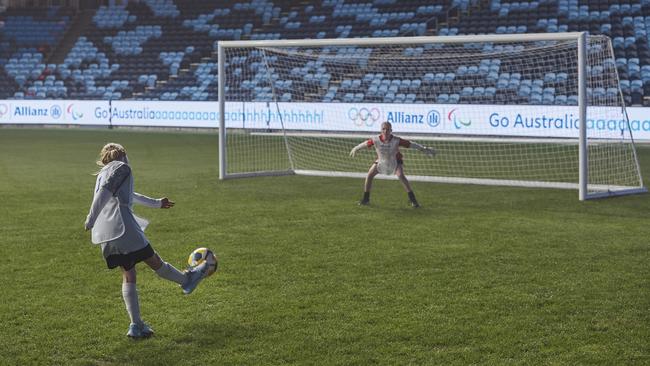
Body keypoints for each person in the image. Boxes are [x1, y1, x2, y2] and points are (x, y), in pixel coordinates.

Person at [84, 143, 208, 339]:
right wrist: (89, 219)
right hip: (123, 227)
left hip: (107, 234)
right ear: (123, 155)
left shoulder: (104, 173)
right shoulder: (121, 167)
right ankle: (187, 280)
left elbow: (128, 195)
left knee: (129, 273)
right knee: (154, 260)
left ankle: (135, 325)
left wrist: (157, 203)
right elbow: (103, 194)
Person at [349, 121, 435, 207]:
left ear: (391, 130)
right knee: (369, 175)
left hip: (396, 161)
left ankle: (413, 201)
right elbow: (366, 144)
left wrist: (423, 149)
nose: (385, 131)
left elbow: (410, 144)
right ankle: (365, 199)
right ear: (381, 130)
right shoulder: (375, 139)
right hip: (381, 161)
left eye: (387, 129)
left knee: (401, 176)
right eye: (383, 129)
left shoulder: (396, 140)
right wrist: (356, 148)